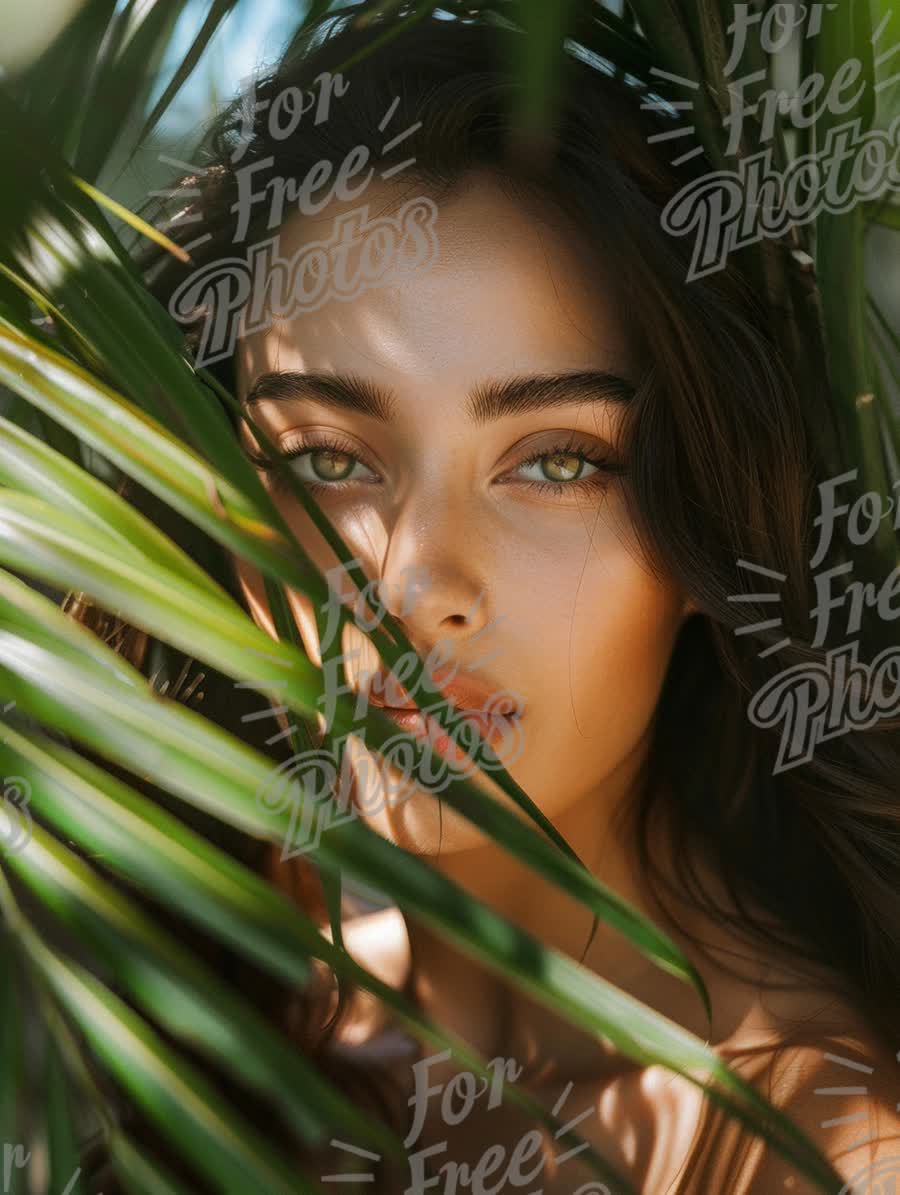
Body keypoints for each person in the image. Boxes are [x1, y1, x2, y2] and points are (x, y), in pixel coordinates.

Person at [119, 6, 900, 1192]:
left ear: (708, 536)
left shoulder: (824, 1147)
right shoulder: (124, 939)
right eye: (330, 459)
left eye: (558, 461)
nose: (419, 585)